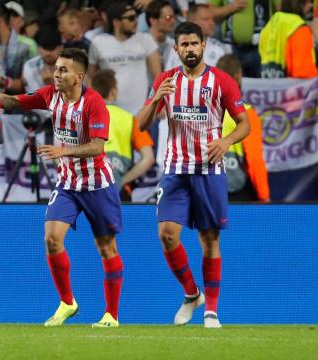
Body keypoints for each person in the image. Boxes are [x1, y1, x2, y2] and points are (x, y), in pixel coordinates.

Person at [0, 48, 124, 328]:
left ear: (79, 76)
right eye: (56, 68)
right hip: (67, 184)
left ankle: (111, 316)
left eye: (63, 70)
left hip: (97, 184)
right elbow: (12, 102)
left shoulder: (94, 103)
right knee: (52, 239)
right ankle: (67, 302)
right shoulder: (49, 95)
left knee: (106, 248)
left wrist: (62, 151)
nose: (56, 73)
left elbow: (97, 146)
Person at [136, 22, 250, 328]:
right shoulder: (166, 80)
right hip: (174, 169)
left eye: (194, 44)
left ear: (203, 46)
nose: (189, 49)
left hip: (209, 170)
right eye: (183, 44)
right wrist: (156, 97)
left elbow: (244, 124)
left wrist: (226, 141)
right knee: (166, 234)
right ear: (175, 49)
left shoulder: (221, 81)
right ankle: (191, 293)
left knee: (209, 239)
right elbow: (141, 124)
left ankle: (211, 310)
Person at [91, 69, 155, 199]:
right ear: (113, 92)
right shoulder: (130, 119)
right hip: (117, 192)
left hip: (87, 188)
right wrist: (122, 181)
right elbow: (148, 158)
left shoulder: (80, 118)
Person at [88, 1, 161, 114]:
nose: (136, 21)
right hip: (109, 112)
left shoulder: (145, 39)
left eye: (136, 17)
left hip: (141, 113)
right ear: (117, 22)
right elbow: (90, 77)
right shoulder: (98, 42)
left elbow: (157, 75)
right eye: (131, 18)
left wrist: (154, 103)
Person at [216, 54, 270, 202]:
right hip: (235, 192)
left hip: (205, 191)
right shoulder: (247, 114)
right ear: (238, 76)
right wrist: (264, 197)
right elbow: (254, 161)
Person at [208, 0, 281, 78]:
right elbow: (210, 13)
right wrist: (230, 8)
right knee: (230, 87)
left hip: (263, 50)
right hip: (229, 49)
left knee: (263, 87)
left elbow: (282, 11)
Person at [259, 0, 318, 78]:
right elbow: (303, 71)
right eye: (308, 2)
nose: (311, 5)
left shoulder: (271, 23)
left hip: (269, 82)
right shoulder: (298, 27)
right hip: (292, 86)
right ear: (302, 4)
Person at [164, 4, 232, 70]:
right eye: (206, 19)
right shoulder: (176, 51)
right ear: (192, 23)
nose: (212, 23)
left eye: (212, 19)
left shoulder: (220, 49)